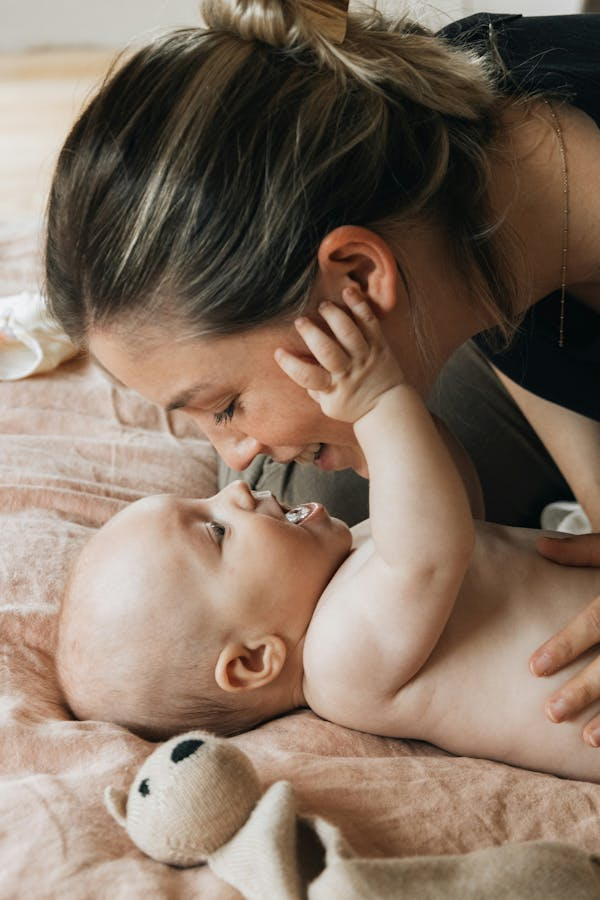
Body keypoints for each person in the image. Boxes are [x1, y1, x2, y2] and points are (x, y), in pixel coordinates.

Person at [44, 2, 600, 739]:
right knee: (297, 521)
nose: (233, 458)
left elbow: (430, 546)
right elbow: (536, 327)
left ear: (359, 280)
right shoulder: (458, 198)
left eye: (226, 405)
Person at [57, 292, 600, 781]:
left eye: (212, 499)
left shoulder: (353, 572)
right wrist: (378, 403)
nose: (236, 492)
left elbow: (460, 513)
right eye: (217, 531)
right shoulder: (338, 663)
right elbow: (433, 554)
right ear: (253, 661)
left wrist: (379, 452)